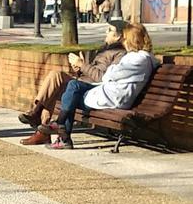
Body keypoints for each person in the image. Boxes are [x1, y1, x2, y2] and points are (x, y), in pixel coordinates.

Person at [38, 22, 159, 150]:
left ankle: (62, 129)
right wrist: (82, 67)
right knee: (73, 86)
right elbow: (111, 74)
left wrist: (91, 66)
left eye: (125, 38)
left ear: (132, 40)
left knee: (71, 92)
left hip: (113, 97)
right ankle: (61, 127)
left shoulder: (138, 59)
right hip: (109, 91)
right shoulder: (136, 57)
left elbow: (108, 75)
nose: (123, 41)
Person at [16, 22, 128, 145]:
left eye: (109, 30)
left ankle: (41, 126)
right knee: (55, 76)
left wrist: (83, 65)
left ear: (118, 36)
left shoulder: (120, 54)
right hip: (81, 83)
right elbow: (91, 72)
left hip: (93, 91)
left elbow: (103, 78)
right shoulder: (104, 49)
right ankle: (37, 112)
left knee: (56, 90)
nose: (106, 32)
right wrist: (79, 69)